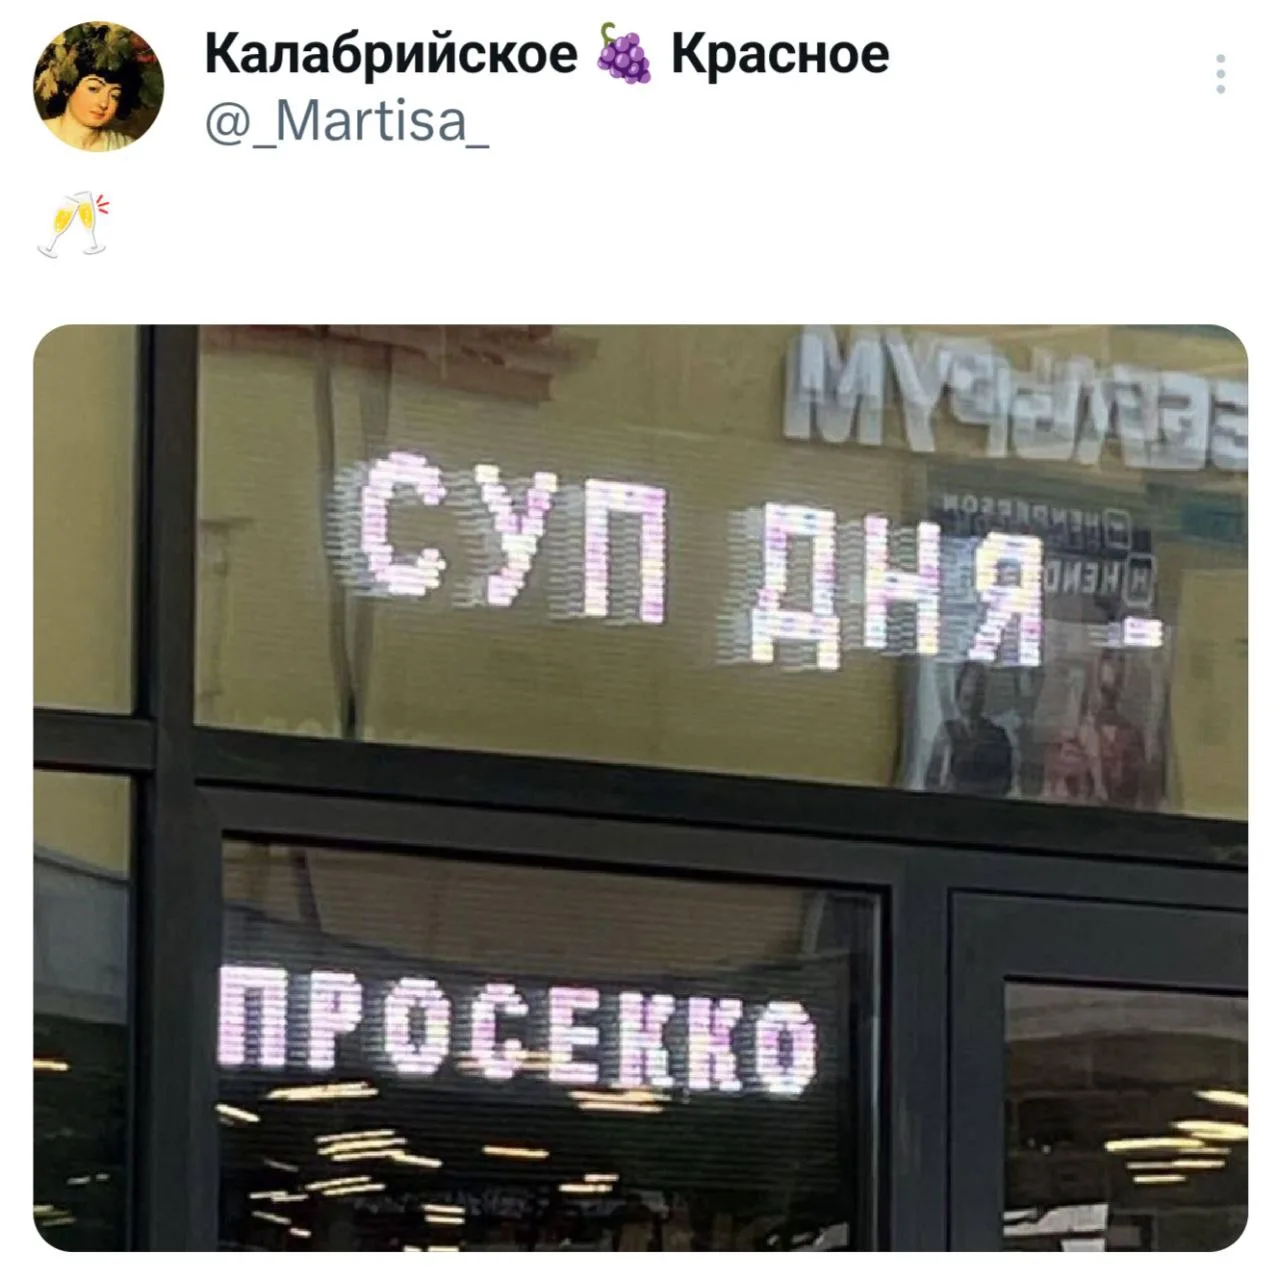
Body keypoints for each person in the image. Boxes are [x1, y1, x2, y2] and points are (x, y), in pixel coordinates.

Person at [34, 24, 158, 152]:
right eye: (93, 89)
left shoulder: (125, 145)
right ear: (67, 88)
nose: (104, 103)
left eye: (114, 95)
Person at [924, 662, 1014, 798]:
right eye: (967, 694)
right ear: (958, 692)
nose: (972, 690)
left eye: (978, 688)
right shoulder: (946, 733)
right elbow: (931, 781)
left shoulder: (997, 736)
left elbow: (1003, 783)